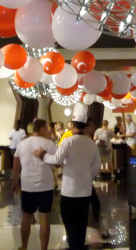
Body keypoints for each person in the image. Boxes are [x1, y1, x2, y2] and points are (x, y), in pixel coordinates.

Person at [35, 104, 100, 250]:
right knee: (81, 227)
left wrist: (43, 155)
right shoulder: (92, 144)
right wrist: (86, 177)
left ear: (72, 125)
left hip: (69, 192)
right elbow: (97, 167)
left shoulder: (68, 141)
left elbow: (57, 160)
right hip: (85, 192)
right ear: (85, 125)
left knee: (70, 228)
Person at [12, 118, 57, 250]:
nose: (48, 130)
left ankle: (24, 246)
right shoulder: (49, 144)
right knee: (44, 217)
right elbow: (58, 161)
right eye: (47, 128)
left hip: (28, 185)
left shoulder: (22, 144)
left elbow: (16, 166)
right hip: (45, 185)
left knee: (26, 216)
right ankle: (43, 248)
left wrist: (14, 182)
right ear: (41, 128)